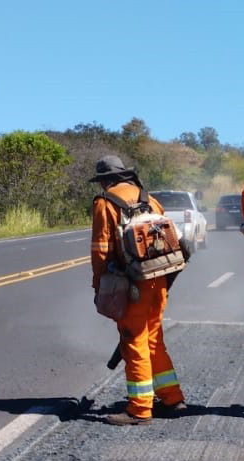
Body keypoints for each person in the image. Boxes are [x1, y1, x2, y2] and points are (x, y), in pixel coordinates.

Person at [90, 155, 187, 426]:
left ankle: (140, 409)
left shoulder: (105, 203)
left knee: (134, 341)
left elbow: (101, 251)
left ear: (105, 181)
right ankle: (173, 399)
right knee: (153, 339)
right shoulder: (150, 199)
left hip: (131, 284)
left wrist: (100, 287)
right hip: (159, 280)